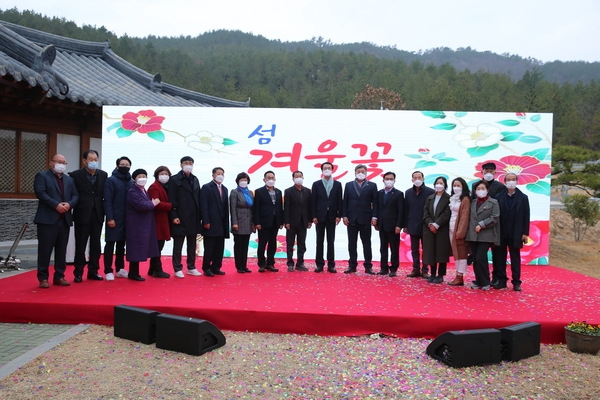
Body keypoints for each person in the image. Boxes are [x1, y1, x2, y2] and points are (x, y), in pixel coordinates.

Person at [33, 154, 79, 288]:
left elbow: (76, 195)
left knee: (61, 250)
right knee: (45, 250)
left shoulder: (69, 180)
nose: (62, 164)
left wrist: (69, 204)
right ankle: (43, 278)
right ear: (51, 163)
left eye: (64, 162)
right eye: (59, 162)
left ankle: (59, 276)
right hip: (47, 219)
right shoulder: (42, 176)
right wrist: (56, 205)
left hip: (64, 219)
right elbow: (40, 193)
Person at [69, 149, 107, 282]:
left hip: (97, 213)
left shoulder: (103, 175)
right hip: (82, 213)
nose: (93, 162)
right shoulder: (75, 175)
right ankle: (78, 272)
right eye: (90, 159)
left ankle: (93, 271)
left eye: (95, 159)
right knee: (81, 245)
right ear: (84, 161)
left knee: (96, 244)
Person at [494, 173, 530, 292]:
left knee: (515, 259)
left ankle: (516, 282)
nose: (511, 182)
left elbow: (526, 216)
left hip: (516, 233)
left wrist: (525, 233)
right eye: (508, 180)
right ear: (505, 182)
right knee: (500, 258)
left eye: (513, 179)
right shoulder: (499, 197)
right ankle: (502, 280)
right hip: (502, 232)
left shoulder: (523, 197)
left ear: (517, 181)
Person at [471, 161, 506, 286]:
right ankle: (480, 279)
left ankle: (497, 278)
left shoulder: (501, 187)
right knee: (478, 257)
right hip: (477, 228)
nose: (489, 173)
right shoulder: (475, 185)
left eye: (491, 171)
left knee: (497, 255)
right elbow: (473, 205)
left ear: (495, 173)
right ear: (482, 172)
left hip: (493, 226)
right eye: (487, 171)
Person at [168, 156, 202, 278]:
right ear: (181, 165)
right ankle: (177, 268)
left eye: (190, 163)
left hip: (193, 217)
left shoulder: (195, 179)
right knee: (178, 244)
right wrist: (173, 215)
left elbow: (198, 198)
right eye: (186, 163)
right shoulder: (174, 179)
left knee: (192, 244)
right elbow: (171, 199)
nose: (188, 165)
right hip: (180, 216)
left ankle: (191, 266)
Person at [342, 164, 378, 274]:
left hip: (366, 218)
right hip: (351, 218)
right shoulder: (348, 185)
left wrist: (374, 217)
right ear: (355, 173)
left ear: (366, 173)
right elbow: (345, 201)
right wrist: (344, 216)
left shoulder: (372, 185)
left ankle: (368, 266)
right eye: (358, 171)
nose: (360, 173)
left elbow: (375, 203)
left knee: (366, 243)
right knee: (352, 244)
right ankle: (352, 265)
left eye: (363, 171)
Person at [125, 169, 160, 281]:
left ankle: (135, 272)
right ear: (134, 178)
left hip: (143, 223)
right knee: (135, 247)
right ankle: (133, 273)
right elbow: (141, 205)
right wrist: (153, 203)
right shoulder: (132, 191)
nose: (142, 178)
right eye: (139, 176)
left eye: (144, 176)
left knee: (140, 247)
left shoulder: (143, 190)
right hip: (135, 224)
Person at [466, 180, 500, 290]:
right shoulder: (472, 202)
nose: (481, 191)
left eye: (483, 188)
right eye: (478, 189)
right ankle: (478, 281)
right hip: (473, 235)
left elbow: (494, 217)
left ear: (487, 190)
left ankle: (486, 281)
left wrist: (481, 224)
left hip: (486, 235)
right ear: (475, 191)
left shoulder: (493, 202)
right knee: (475, 259)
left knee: (481, 258)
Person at [103, 156, 133, 281]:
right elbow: (107, 200)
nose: (125, 166)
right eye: (122, 164)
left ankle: (120, 268)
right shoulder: (111, 180)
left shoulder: (131, 181)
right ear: (117, 166)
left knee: (122, 244)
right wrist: (110, 217)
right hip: (114, 218)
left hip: (127, 219)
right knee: (110, 243)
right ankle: (108, 270)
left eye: (127, 164)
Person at [310, 162, 343, 273]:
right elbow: (313, 202)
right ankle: (319, 264)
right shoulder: (316, 184)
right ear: (322, 170)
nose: (327, 170)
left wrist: (339, 215)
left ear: (332, 170)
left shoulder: (338, 184)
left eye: (329, 168)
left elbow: (340, 201)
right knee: (319, 241)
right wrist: (313, 216)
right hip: (319, 217)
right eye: (325, 168)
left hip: (332, 217)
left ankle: (331, 265)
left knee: (331, 241)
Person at [404, 171, 435, 278]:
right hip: (412, 224)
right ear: (412, 180)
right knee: (414, 249)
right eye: (415, 177)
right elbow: (406, 209)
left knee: (426, 249)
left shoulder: (430, 192)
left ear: (423, 178)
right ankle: (416, 269)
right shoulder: (408, 193)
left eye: (419, 177)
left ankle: (425, 270)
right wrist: (405, 225)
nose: (417, 179)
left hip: (425, 225)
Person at [200, 167, 230, 277]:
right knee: (209, 247)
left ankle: (216, 266)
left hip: (222, 223)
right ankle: (206, 267)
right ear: (213, 175)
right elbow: (204, 206)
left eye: (222, 174)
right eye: (218, 173)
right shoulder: (207, 187)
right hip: (211, 222)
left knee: (219, 247)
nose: (220, 176)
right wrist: (206, 221)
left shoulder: (225, 189)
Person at [422, 176, 452, 283]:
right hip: (429, 229)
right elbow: (426, 212)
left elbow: (446, 213)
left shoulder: (448, 198)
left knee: (441, 252)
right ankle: (433, 273)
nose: (439, 185)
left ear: (445, 185)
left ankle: (440, 275)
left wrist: (437, 224)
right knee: (431, 251)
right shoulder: (430, 198)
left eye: (441, 183)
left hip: (442, 229)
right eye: (437, 183)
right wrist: (430, 224)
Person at [253, 170, 283, 272]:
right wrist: (257, 222)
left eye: (272, 178)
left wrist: (280, 222)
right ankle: (261, 264)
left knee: (272, 243)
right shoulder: (259, 191)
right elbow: (256, 208)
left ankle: (270, 263)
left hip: (275, 222)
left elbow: (279, 208)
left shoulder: (279, 192)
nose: (270, 180)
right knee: (262, 243)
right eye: (268, 178)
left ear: (275, 179)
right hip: (263, 222)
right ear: (264, 180)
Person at [375, 172, 404, 277]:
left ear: (394, 181)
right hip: (382, 225)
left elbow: (401, 211)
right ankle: (384, 268)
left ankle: (393, 268)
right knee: (383, 248)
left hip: (393, 226)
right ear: (383, 181)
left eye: (391, 179)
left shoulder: (399, 194)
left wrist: (399, 225)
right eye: (387, 179)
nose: (389, 181)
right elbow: (377, 208)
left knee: (394, 248)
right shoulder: (380, 193)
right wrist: (376, 221)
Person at [283, 171, 312, 272]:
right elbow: (286, 207)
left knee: (302, 244)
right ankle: (290, 263)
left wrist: (309, 220)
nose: (298, 178)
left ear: (303, 178)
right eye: (296, 176)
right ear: (293, 179)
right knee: (290, 244)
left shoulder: (308, 191)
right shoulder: (288, 191)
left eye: (300, 176)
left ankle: (300, 263)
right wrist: (286, 221)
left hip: (303, 222)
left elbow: (309, 207)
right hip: (291, 222)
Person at [147, 166, 172, 278]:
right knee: (157, 245)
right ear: (157, 175)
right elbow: (156, 204)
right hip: (157, 220)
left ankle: (152, 269)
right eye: (162, 173)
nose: (164, 175)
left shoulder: (165, 187)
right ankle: (157, 269)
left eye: (166, 173)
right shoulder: (154, 187)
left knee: (159, 245)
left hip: (162, 219)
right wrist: (171, 205)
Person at [447, 177, 471, 286]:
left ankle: (460, 276)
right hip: (451, 228)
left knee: (461, 254)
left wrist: (460, 232)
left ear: (463, 186)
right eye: (454, 185)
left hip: (459, 231)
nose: (456, 188)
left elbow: (465, 217)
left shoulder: (465, 199)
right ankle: (457, 275)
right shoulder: (454, 198)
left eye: (458, 185)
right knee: (456, 253)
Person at [230, 172, 255, 273]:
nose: (243, 182)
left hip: (248, 222)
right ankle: (239, 266)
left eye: (245, 180)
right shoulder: (234, 192)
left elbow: (252, 208)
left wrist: (253, 223)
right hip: (239, 222)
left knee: (245, 245)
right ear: (238, 181)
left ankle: (244, 265)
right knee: (238, 245)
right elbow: (232, 209)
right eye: (241, 180)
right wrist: (234, 223)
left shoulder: (250, 193)